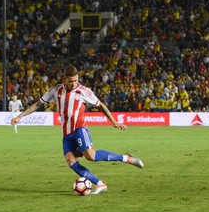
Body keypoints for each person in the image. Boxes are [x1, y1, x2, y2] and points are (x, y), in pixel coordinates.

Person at [11, 65, 144, 195]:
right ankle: (100, 184)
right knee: (71, 161)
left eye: (76, 80)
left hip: (80, 128)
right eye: (71, 81)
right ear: (65, 79)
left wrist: (114, 122)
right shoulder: (55, 90)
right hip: (66, 134)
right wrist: (20, 116)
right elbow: (38, 104)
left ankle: (126, 158)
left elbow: (101, 105)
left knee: (91, 156)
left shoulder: (84, 91)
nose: (74, 84)